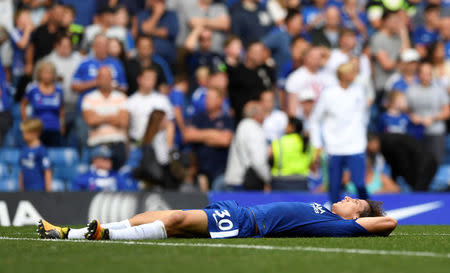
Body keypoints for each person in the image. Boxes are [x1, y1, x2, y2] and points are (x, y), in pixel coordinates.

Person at [37, 196, 397, 240]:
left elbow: (388, 223)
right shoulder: (323, 207)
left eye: (356, 202)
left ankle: (102, 237)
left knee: (175, 218)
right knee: (164, 214)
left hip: (246, 224)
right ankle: (74, 232)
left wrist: (369, 216)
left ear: (356, 216)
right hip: (240, 210)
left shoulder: (341, 225)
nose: (348, 198)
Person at [309, 62, 368, 203]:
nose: (354, 75)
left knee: (359, 183)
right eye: (351, 72)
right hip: (334, 147)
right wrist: (317, 143)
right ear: (342, 75)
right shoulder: (329, 94)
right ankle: (334, 215)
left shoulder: (359, 90)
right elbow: (315, 119)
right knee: (334, 186)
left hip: (356, 145)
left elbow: (363, 116)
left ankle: (370, 211)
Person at [184, 88, 233, 191]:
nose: (207, 101)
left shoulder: (227, 119)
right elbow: (188, 135)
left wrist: (200, 136)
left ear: (220, 100)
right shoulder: (198, 118)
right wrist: (214, 134)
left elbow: (225, 140)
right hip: (200, 172)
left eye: (211, 98)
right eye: (207, 98)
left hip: (221, 172)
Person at [81, 66, 128, 170]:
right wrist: (113, 116)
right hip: (97, 143)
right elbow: (90, 120)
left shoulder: (121, 97)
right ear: (97, 79)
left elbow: (123, 121)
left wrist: (100, 116)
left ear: (112, 79)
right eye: (102, 77)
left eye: (108, 77)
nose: (106, 80)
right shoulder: (89, 98)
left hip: (117, 143)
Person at [406, 62, 450, 165]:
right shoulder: (411, 90)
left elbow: (447, 112)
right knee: (418, 163)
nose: (426, 76)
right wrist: (412, 116)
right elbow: (406, 110)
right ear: (419, 74)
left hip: (435, 132)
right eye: (423, 73)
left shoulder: (439, 90)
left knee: (436, 162)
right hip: (417, 132)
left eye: (428, 73)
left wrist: (433, 118)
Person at [225, 101, 270, 190]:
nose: (265, 116)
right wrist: (268, 179)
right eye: (263, 113)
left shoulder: (242, 126)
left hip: (234, 180)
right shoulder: (254, 129)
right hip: (245, 183)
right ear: (257, 115)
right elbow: (258, 161)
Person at [227, 41, 274, 122]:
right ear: (248, 53)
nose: (261, 54)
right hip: (245, 118)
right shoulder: (237, 73)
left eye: (262, 51)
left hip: (268, 115)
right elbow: (235, 101)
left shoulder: (266, 70)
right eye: (258, 52)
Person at [20, 61, 65, 147]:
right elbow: (23, 105)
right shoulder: (32, 88)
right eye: (45, 73)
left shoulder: (59, 89)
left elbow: (62, 108)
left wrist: (62, 124)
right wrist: (25, 122)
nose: (47, 75)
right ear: (39, 74)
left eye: (50, 73)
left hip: (54, 128)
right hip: (36, 129)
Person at [126, 67, 174, 144]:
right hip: (137, 144)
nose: (151, 81)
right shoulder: (130, 102)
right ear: (139, 79)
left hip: (159, 145)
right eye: (148, 78)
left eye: (153, 78)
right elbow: (126, 127)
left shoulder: (163, 100)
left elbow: (170, 124)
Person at [286, 47, 337, 117]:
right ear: (305, 58)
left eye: (319, 57)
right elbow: (292, 107)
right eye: (313, 57)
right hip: (304, 119)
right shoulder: (296, 77)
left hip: (323, 119)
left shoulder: (327, 76)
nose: (317, 59)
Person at [137, 0, 179, 66]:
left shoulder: (172, 15)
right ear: (151, 0)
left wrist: (150, 30)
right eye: (157, 0)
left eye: (161, 0)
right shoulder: (143, 14)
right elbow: (143, 31)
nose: (159, 3)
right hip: (147, 60)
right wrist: (156, 14)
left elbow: (170, 32)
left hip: (168, 60)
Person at [72, 145, 137, 191]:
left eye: (110, 158)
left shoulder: (117, 176)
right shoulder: (84, 177)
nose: (109, 161)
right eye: (105, 158)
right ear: (95, 160)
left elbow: (126, 191)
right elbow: (76, 196)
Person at [262, 9, 303, 77]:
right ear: (289, 21)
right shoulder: (279, 35)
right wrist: (268, 62)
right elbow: (261, 46)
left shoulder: (301, 38)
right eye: (299, 21)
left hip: (297, 77)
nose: (301, 24)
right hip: (280, 77)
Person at [18, 118, 52, 192]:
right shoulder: (23, 149)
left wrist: (48, 192)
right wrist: (20, 189)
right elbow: (21, 172)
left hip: (38, 191)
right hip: (26, 190)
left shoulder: (41, 150)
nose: (23, 135)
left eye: (26, 132)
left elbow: (47, 171)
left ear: (35, 133)